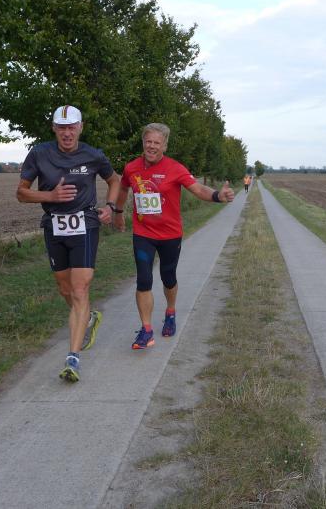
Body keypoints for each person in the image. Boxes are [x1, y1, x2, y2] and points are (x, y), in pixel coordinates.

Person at [17, 105, 121, 382]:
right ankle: (88, 317)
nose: (67, 133)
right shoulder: (39, 153)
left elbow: (114, 180)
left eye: (71, 127)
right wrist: (50, 196)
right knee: (65, 288)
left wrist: (111, 206)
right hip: (54, 226)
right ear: (54, 128)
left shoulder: (93, 155)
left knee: (79, 288)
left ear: (80, 127)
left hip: (85, 224)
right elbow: (21, 193)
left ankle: (73, 358)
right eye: (61, 127)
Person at [112, 123, 234, 350]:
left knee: (168, 277)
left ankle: (170, 312)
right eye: (148, 141)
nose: (152, 146)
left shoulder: (175, 168)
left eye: (157, 143)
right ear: (143, 143)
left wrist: (218, 195)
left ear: (165, 146)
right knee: (144, 279)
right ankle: (146, 330)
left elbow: (198, 189)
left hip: (170, 234)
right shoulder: (131, 168)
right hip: (143, 233)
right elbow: (123, 189)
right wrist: (118, 213)